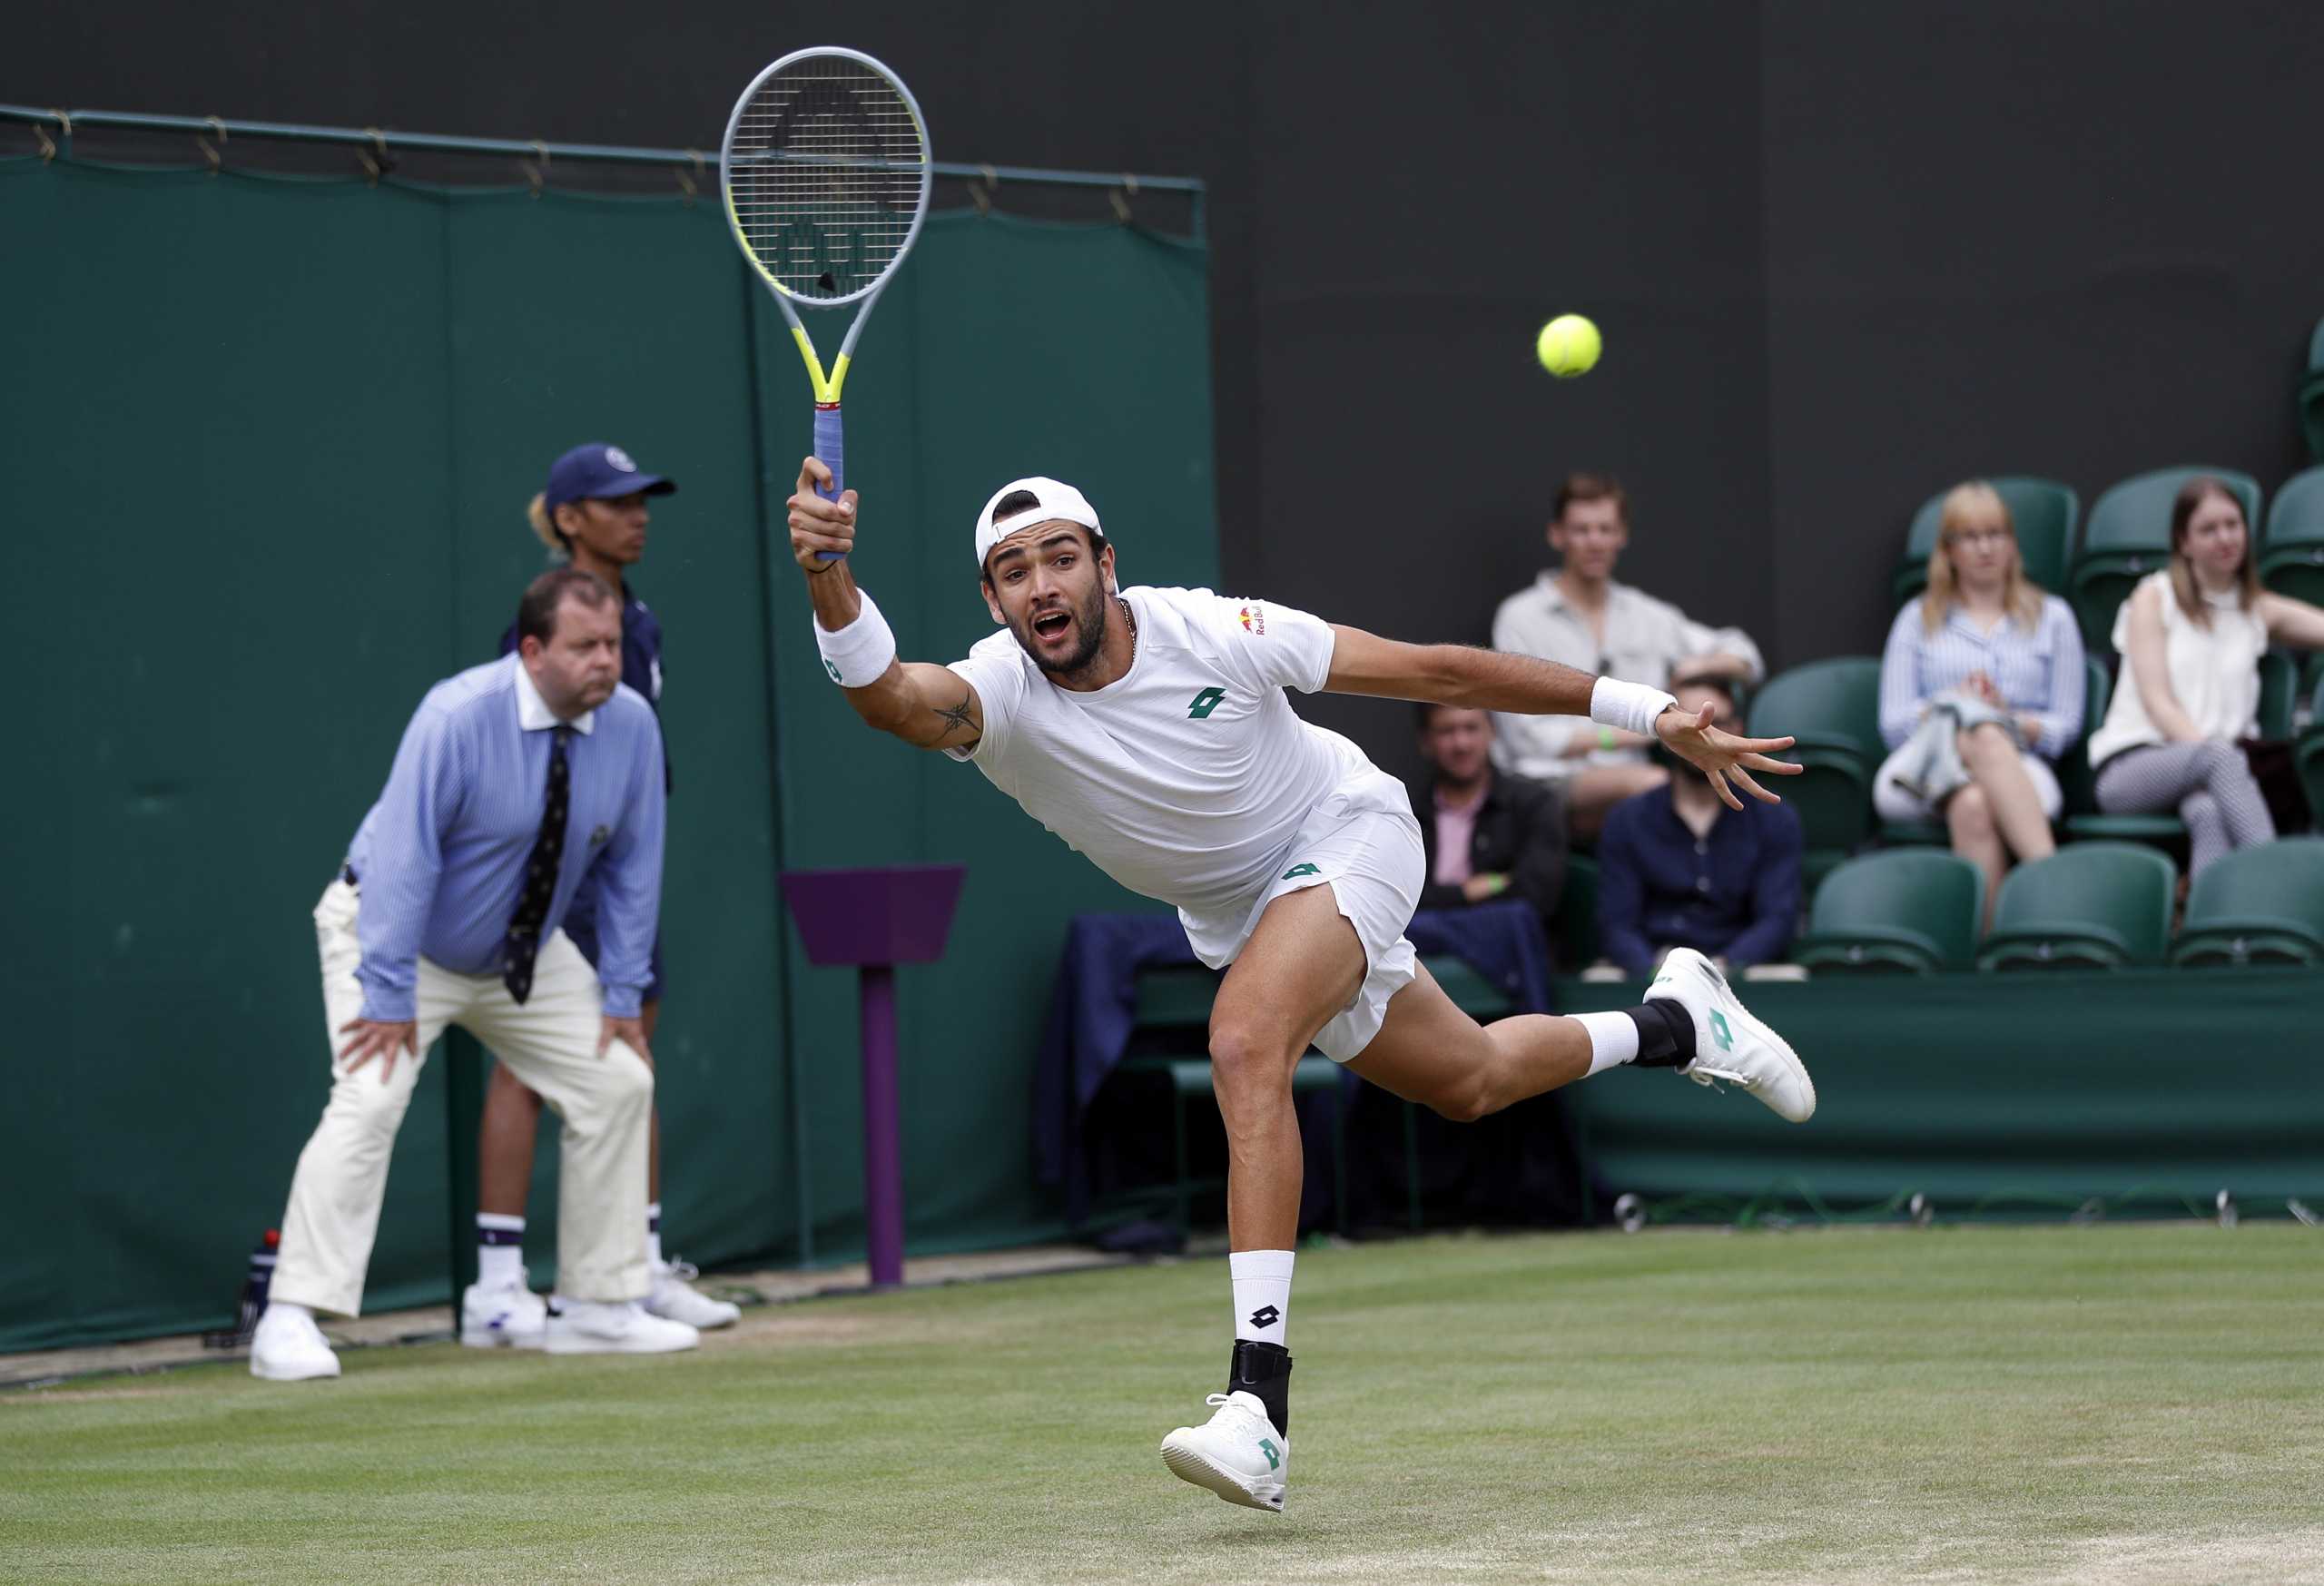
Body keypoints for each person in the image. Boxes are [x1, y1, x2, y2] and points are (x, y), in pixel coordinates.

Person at [784, 458, 1815, 1513]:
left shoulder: (1219, 631)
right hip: (1243, 915)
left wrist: (1651, 712)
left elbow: (1438, 673)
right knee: (1470, 1078)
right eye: (1012, 572)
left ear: (1106, 565)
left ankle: (1257, 1406)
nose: (1040, 586)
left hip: (1348, 833)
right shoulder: (996, 692)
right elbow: (890, 699)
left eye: (1059, 558)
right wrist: (829, 576)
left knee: (1243, 1042)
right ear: (994, 603)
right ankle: (1680, 1019)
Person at [250, 568, 694, 1382]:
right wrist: (387, 991)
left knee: (619, 1080)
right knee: (373, 1093)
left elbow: (635, 866)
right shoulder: (456, 715)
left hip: (517, 951)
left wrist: (623, 991)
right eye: (585, 646)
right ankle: (288, 1314)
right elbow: (404, 860)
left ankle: (598, 1306)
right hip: (393, 934)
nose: (607, 661)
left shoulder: (632, 726)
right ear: (532, 651)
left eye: (614, 645)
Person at [464, 443, 738, 1348]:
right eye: (616, 502)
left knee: (630, 1060)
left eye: (642, 500)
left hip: (619, 875)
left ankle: (638, 1266)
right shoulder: (545, 619)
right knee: (525, 1067)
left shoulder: (638, 618)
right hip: (554, 878)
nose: (638, 514)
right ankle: (499, 1288)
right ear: (569, 517)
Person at [1490, 472, 1766, 836]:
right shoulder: (1521, 617)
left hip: (1629, 779)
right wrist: (1646, 728)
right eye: (1582, 530)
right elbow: (1529, 740)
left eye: (1605, 529)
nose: (1595, 541)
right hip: (1544, 781)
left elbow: (1746, 656)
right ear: (1557, 534)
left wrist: (1692, 669)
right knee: (1662, 790)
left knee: (1709, 787)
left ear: (1622, 535)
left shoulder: (1646, 615)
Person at [2088, 476, 2324, 873]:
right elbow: (2159, 704)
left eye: (2233, 525)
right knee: (2218, 759)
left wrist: (2217, 768)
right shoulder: (2153, 597)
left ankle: (2209, 922)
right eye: (2209, 529)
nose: (2225, 538)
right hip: (2133, 768)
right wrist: (2215, 760)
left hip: (2210, 777)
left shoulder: (2255, 609)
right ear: (2184, 541)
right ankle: (2275, 878)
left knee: (2209, 812)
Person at [1876, 481, 2085, 923]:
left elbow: (2065, 725)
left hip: (2020, 761)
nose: (1985, 547)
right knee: (1975, 725)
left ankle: (1988, 948)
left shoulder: (2054, 617)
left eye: (1996, 534)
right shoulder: (1917, 618)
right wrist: (1952, 704)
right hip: (1921, 766)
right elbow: (1894, 724)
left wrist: (2008, 718)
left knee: (1975, 792)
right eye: (1970, 537)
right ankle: (2054, 891)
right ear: (1948, 550)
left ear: (2013, 545)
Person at [1594, 678, 1804, 978]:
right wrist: (1655, 972)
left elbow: (1778, 919)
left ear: (1738, 729)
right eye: (1687, 722)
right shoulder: (1627, 820)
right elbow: (1616, 924)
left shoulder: (1775, 818)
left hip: (1742, 972)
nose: (1702, 734)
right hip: (1654, 968)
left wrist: (1724, 967)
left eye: (1716, 722)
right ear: (1664, 735)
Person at [1405, 704, 1568, 949]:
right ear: (1426, 742)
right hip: (1422, 951)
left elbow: (1537, 895)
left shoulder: (1532, 804)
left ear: (1492, 732)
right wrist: (1466, 892)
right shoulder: (1406, 813)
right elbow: (1395, 900)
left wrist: (1441, 901)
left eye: (1471, 728)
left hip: (1504, 952)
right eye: (1447, 731)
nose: (1461, 744)